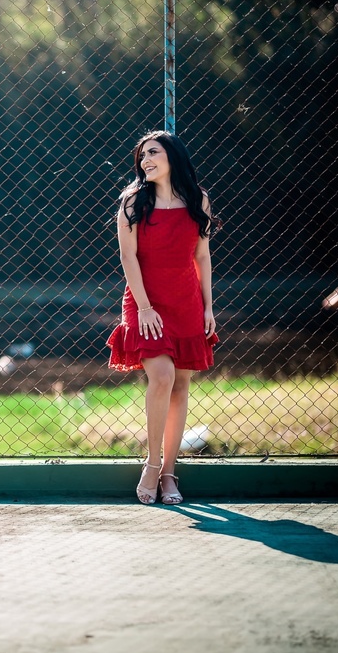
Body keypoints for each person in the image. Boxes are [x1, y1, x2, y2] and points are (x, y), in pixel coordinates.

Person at [107, 131, 218, 505]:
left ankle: (170, 473)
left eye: (153, 153)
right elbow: (128, 258)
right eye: (141, 156)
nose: (145, 161)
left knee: (181, 387)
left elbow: (202, 257)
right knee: (163, 376)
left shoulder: (196, 200)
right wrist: (145, 307)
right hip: (144, 302)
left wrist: (208, 307)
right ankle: (151, 465)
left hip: (186, 301)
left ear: (173, 156)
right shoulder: (132, 202)